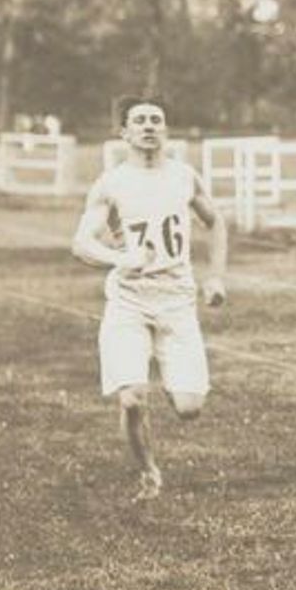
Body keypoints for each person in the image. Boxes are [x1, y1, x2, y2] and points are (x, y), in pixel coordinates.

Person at [70, 96, 227, 500]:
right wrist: (121, 258)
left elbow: (216, 221)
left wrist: (215, 277)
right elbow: (82, 243)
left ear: (166, 129)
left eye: (156, 119)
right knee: (132, 399)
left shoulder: (184, 176)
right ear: (124, 132)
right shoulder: (111, 183)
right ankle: (148, 471)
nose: (149, 126)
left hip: (177, 301)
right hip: (129, 302)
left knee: (190, 408)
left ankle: (171, 390)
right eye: (139, 120)